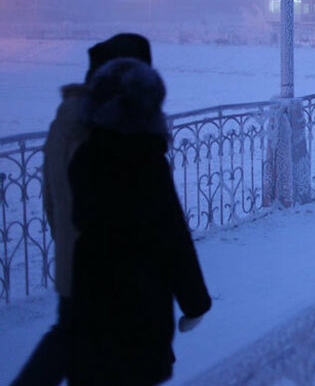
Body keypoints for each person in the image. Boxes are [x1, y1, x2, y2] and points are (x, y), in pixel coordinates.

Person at [12, 33, 155, 386]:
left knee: (75, 341)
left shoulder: (68, 121)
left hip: (78, 260)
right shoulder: (98, 127)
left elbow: (51, 198)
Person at [67, 55, 211, 385]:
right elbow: (171, 236)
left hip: (91, 298)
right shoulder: (146, 163)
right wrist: (194, 302)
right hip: (141, 300)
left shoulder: (83, 159)